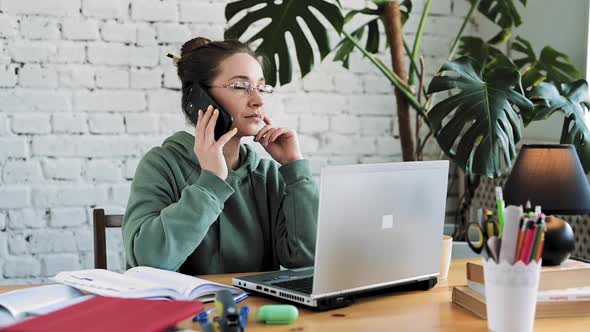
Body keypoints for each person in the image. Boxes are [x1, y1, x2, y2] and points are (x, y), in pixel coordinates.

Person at [122, 37, 319, 275]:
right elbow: (149, 262)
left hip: (256, 311)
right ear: (200, 97)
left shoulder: (267, 175)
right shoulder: (162, 165)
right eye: (240, 86)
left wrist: (295, 169)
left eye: (261, 87)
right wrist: (211, 182)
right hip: (186, 311)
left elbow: (306, 258)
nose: (258, 100)